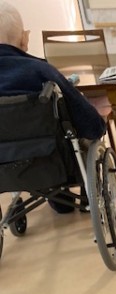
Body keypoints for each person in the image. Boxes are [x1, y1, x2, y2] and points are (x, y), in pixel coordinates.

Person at [0, 1, 106, 213]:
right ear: (24, 38)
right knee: (80, 136)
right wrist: (98, 125)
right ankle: (78, 196)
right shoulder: (40, 71)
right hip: (52, 161)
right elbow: (90, 124)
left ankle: (58, 199)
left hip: (4, 165)